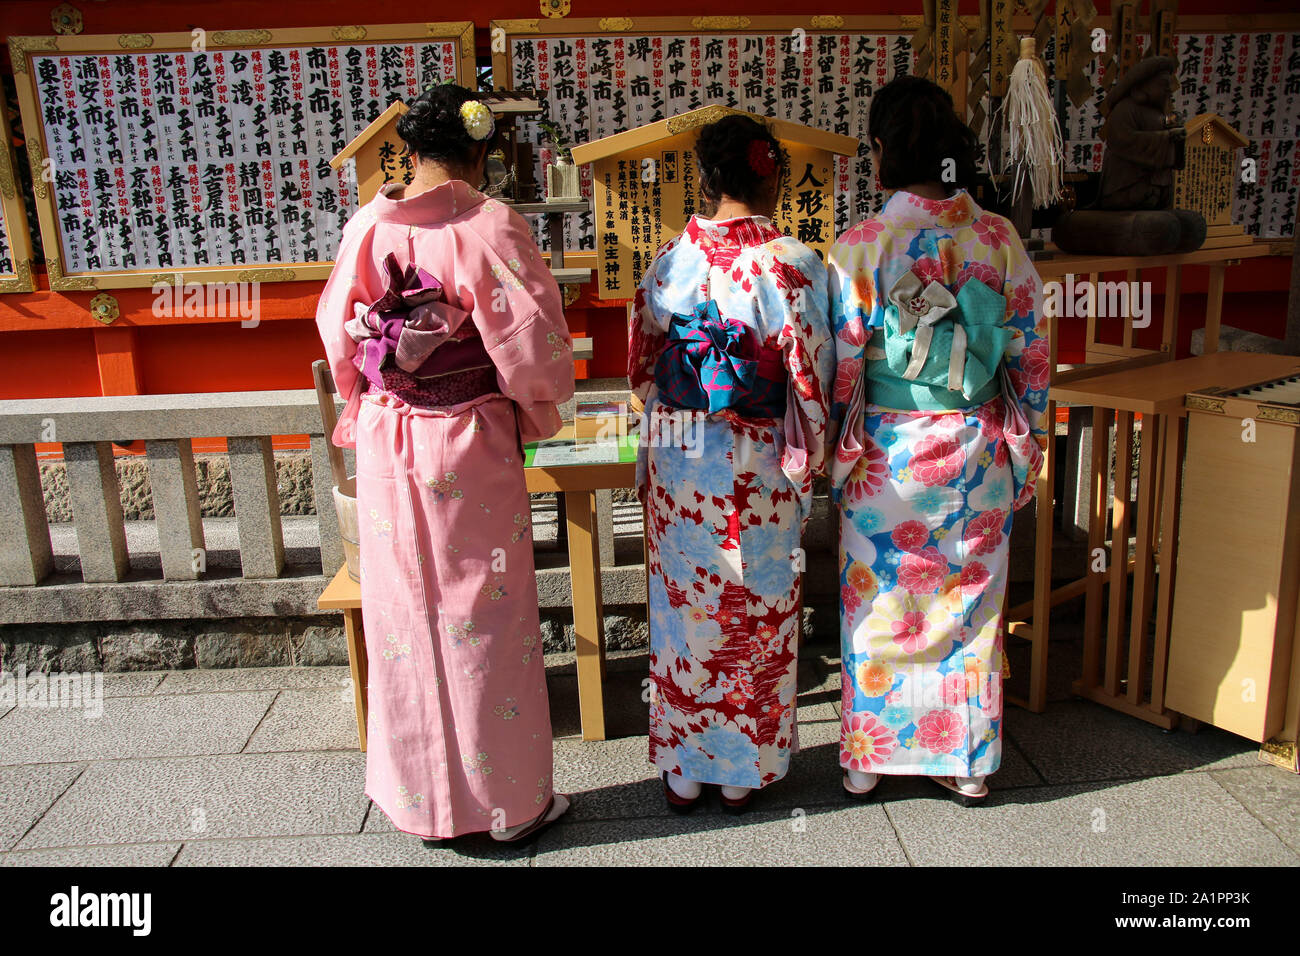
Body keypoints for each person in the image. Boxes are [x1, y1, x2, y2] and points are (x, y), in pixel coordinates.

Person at [315, 84, 574, 843]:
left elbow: (339, 333)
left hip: (392, 438)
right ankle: (509, 808)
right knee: (483, 613)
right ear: (481, 151)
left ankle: (425, 806)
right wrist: (536, 406)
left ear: (412, 150)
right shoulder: (489, 224)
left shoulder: (368, 224)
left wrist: (367, 392)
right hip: (469, 437)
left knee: (406, 615)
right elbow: (532, 346)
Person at [827, 76, 1049, 805]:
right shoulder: (997, 237)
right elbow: (1029, 353)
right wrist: (1028, 436)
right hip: (975, 446)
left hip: (887, 453)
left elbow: (844, 364)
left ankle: (871, 756)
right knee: (968, 600)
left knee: (879, 596)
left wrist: (837, 445)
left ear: (883, 151)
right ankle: (965, 759)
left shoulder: (861, 245)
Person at [630, 114, 834, 814]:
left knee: (686, 606)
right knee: (757, 603)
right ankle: (746, 769)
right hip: (758, 455)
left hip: (679, 451)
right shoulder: (797, 263)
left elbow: (642, 370)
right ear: (771, 173)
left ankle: (685, 768)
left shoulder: (668, 259)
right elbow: (810, 379)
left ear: (705, 179)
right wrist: (817, 458)